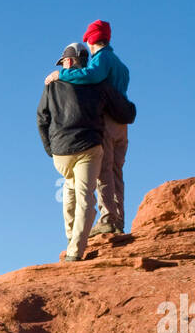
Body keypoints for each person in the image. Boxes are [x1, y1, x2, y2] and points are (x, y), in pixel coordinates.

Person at [37, 42, 136, 261]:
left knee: (70, 190)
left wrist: (49, 149)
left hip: (61, 152)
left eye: (63, 61)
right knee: (84, 197)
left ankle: (72, 238)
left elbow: (42, 118)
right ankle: (75, 250)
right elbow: (123, 110)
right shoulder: (97, 84)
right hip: (88, 148)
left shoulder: (51, 85)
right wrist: (130, 111)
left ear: (69, 61)